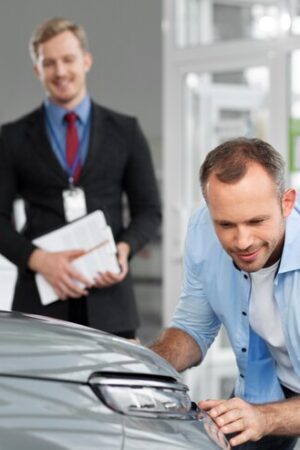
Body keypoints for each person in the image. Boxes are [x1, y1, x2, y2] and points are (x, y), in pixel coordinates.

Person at [0, 17, 161, 339]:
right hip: (40, 305)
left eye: (68, 60)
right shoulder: (12, 137)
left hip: (112, 302)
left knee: (114, 390)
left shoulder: (126, 131)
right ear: (37, 70)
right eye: (49, 63)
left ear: (86, 61)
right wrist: (38, 259)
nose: (60, 72)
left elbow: (149, 210)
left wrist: (125, 248)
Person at [151, 137, 300, 449]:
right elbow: (193, 327)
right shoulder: (202, 231)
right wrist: (146, 364)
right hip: (265, 388)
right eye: (226, 224)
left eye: (256, 221)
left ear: (286, 203)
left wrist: (266, 419)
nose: (243, 241)